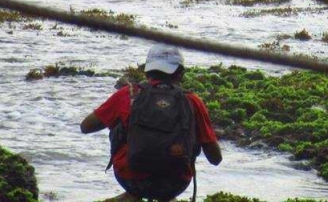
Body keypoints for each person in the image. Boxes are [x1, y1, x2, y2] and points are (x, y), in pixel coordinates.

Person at [80, 44, 222, 201]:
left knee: (119, 125)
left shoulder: (128, 94)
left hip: (130, 179)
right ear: (180, 74)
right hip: (175, 183)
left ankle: (132, 196)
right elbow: (215, 159)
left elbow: (85, 127)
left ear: (147, 71)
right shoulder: (192, 101)